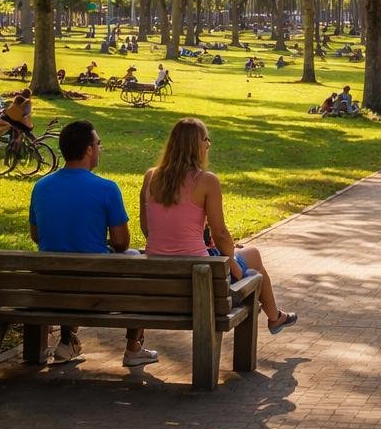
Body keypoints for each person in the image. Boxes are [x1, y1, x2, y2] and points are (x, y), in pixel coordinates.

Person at [142, 118, 297, 335]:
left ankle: (276, 316)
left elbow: (147, 228)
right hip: (200, 280)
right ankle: (274, 317)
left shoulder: (150, 177)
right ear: (196, 145)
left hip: (157, 280)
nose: (208, 145)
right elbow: (221, 233)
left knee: (244, 258)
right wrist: (231, 259)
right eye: (206, 139)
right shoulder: (206, 180)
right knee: (253, 258)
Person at [29, 120, 156, 367]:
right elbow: (121, 243)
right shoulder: (106, 188)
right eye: (98, 143)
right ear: (88, 150)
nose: (100, 148)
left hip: (50, 287)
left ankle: (67, 340)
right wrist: (102, 241)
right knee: (139, 264)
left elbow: (37, 236)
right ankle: (134, 346)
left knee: (67, 260)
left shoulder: (41, 187)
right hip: (97, 289)